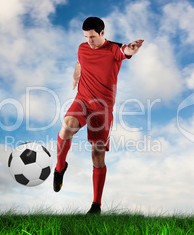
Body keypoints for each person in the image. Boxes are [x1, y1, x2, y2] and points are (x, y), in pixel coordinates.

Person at [53, 16, 144, 214]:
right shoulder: (83, 47)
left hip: (102, 109)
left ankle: (96, 205)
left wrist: (132, 49)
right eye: (86, 37)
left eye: (93, 37)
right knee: (67, 125)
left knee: (97, 155)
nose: (89, 41)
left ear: (102, 33)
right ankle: (60, 167)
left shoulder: (114, 50)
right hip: (83, 100)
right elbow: (80, 61)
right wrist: (76, 74)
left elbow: (126, 51)